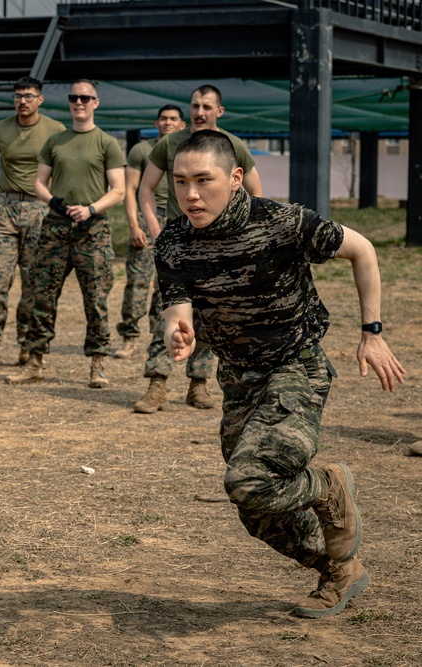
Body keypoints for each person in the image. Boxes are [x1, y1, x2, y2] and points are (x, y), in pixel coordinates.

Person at [155, 130, 404, 618]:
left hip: (296, 368)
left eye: (203, 180)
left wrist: (372, 332)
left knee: (249, 480)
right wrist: (176, 331)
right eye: (181, 182)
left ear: (235, 178)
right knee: (257, 510)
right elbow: (177, 308)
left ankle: (328, 485)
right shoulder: (174, 242)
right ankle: (340, 569)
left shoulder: (282, 222)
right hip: (239, 380)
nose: (191, 194)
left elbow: (363, 250)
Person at [133, 84, 264, 413]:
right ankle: (157, 383)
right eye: (194, 105)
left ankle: (199, 384)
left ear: (219, 111)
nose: (199, 112)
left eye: (206, 106)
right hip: (179, 247)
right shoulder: (170, 143)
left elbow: (256, 194)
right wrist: (155, 229)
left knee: (211, 316)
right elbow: (146, 189)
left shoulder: (231, 145)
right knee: (165, 314)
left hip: (221, 248)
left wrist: (244, 237)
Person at [6, 79, 125, 387]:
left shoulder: (106, 143)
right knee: (42, 295)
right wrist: (53, 202)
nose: (79, 102)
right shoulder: (55, 141)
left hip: (92, 230)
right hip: (56, 227)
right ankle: (34, 362)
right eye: (74, 97)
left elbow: (119, 190)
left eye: (85, 98)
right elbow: (39, 182)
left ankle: (98, 365)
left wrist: (91, 209)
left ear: (96, 103)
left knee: (96, 299)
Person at [0, 76, 65, 370]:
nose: (22, 101)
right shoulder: (1, 129)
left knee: (33, 284)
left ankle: (27, 344)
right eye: (17, 96)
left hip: (39, 210)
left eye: (28, 96)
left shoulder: (55, 130)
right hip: (6, 209)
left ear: (40, 99)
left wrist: (55, 202)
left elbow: (65, 167)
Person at [113, 104, 186, 361]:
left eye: (173, 119)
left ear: (182, 125)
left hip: (176, 220)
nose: (167, 123)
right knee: (138, 281)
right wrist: (134, 225)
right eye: (163, 119)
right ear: (156, 123)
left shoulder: (186, 151)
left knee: (165, 285)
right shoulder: (142, 150)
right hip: (148, 217)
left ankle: (160, 336)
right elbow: (131, 189)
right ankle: (129, 337)